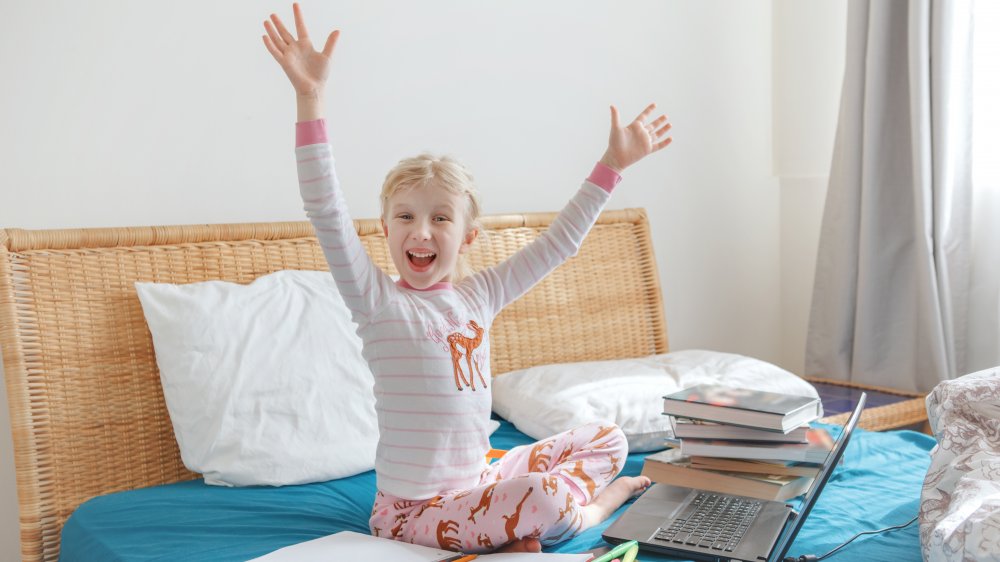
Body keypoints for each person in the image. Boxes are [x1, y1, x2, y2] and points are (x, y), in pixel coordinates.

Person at [262, 4, 672, 555]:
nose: (421, 232)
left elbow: (559, 245)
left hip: (482, 482)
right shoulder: (377, 301)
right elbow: (325, 208)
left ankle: (518, 523)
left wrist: (612, 165)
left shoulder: (482, 295)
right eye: (406, 216)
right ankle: (588, 509)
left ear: (468, 235)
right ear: (385, 228)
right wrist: (309, 96)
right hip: (411, 514)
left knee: (610, 438)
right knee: (546, 497)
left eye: (440, 217)